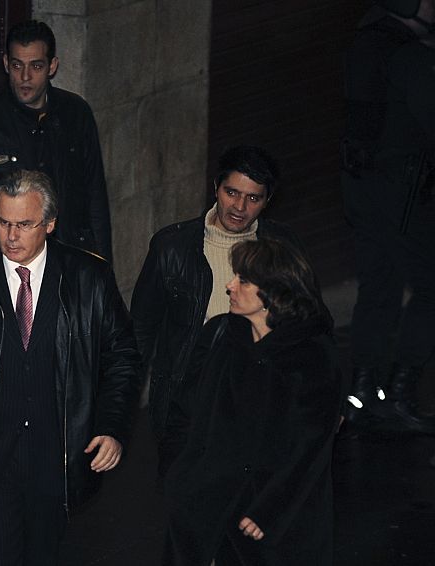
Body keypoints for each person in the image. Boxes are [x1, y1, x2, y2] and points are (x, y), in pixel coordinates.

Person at [0, 170, 139, 565]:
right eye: (3, 222)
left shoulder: (89, 278)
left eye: (24, 224)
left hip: (57, 462)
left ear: (50, 224)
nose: (11, 236)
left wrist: (112, 426)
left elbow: (122, 358)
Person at [130, 145, 319, 477]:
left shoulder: (283, 247)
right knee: (187, 500)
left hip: (260, 399)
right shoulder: (172, 247)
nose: (239, 207)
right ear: (215, 187)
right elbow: (140, 332)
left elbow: (311, 325)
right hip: (188, 399)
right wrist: (116, 409)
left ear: (267, 200)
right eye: (232, 192)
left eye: (253, 198)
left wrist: (320, 396)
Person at [162, 239, 343, 566]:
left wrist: (269, 510)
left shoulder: (313, 355)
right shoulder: (221, 335)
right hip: (204, 504)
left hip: (270, 518)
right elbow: (185, 410)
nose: (230, 286)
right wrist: (180, 480)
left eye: (244, 280)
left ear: (275, 293)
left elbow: (310, 446)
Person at [0, 19, 113, 263]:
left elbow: (95, 196)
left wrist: (102, 266)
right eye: (17, 65)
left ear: (52, 66)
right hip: (3, 263)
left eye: (36, 66)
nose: (26, 77)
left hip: (67, 257)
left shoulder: (76, 114)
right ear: (6, 64)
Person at [341, 0, 435, 431]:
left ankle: (363, 389)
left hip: (363, 190)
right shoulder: (408, 56)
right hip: (402, 193)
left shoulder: (364, 43)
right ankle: (399, 390)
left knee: (379, 285)